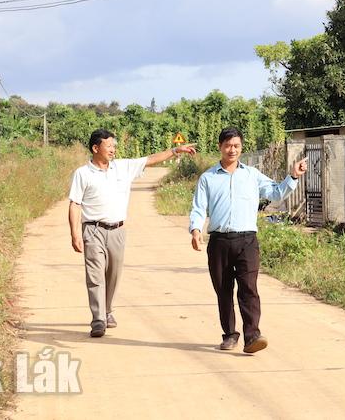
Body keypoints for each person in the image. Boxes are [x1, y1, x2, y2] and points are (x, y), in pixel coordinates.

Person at [189, 127, 307, 354]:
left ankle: (252, 336)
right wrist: (196, 230)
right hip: (219, 241)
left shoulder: (252, 175)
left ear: (241, 148)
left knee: (249, 289)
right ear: (220, 147)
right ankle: (229, 335)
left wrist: (292, 176)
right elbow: (198, 208)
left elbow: (275, 193)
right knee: (223, 290)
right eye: (227, 145)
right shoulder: (208, 178)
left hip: (247, 241)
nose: (232, 150)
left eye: (236, 146)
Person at [69, 128, 196, 337]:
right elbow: (75, 204)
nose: (113, 149)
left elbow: (150, 160)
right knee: (95, 276)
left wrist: (175, 151)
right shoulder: (82, 174)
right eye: (108, 145)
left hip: (117, 230)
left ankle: (108, 310)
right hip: (93, 230)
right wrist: (75, 234)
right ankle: (98, 319)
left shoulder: (123, 167)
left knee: (114, 275)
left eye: (114, 145)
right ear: (95, 148)